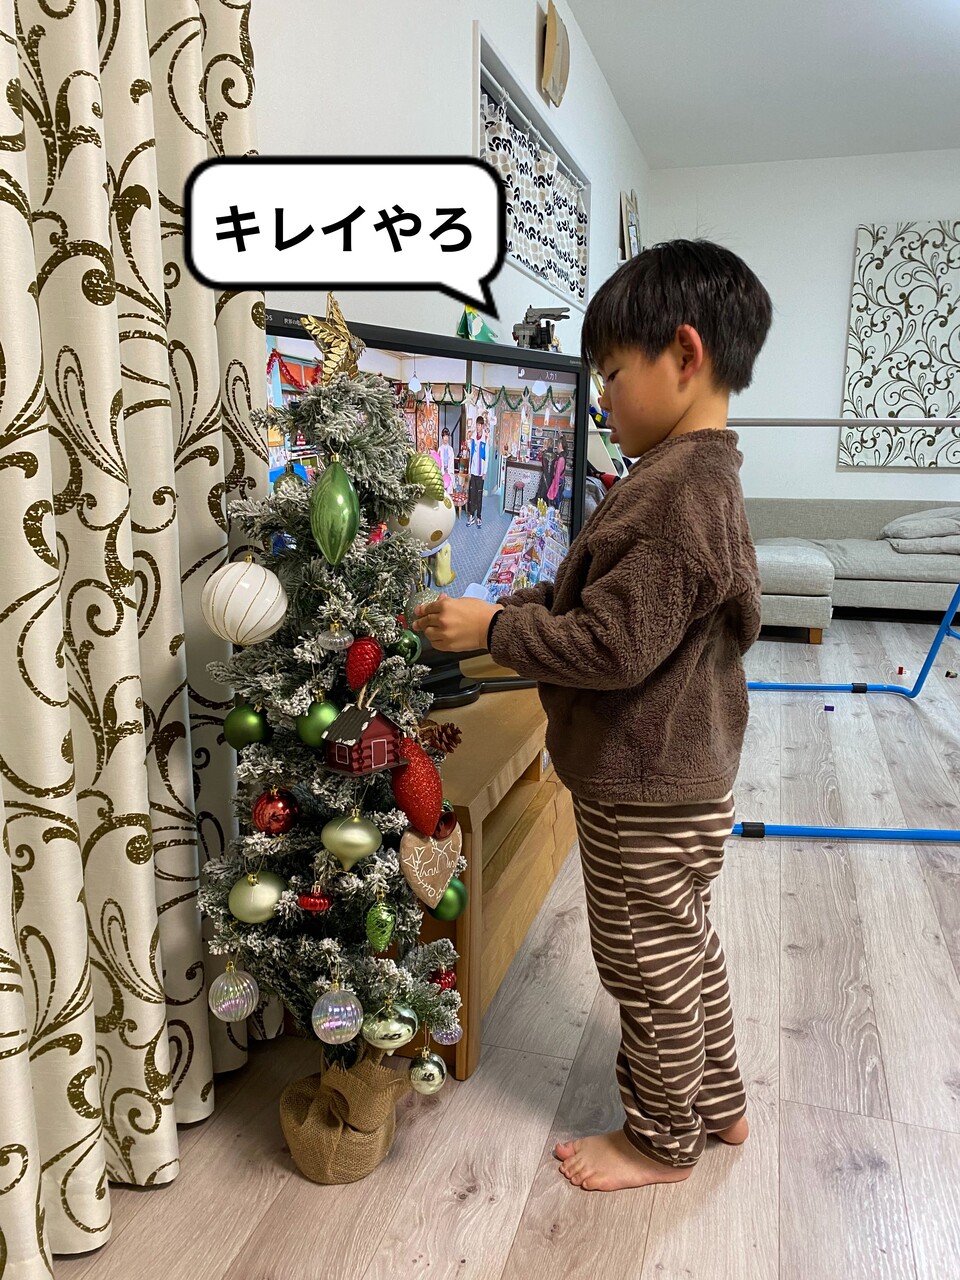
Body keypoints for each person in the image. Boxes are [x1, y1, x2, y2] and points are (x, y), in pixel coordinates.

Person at [413, 239, 772, 1193]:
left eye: (611, 373)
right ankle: (720, 1098)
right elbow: (606, 597)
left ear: (684, 355)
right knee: (683, 943)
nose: (601, 397)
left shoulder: (677, 493)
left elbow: (613, 646)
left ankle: (661, 1140)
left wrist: (495, 628)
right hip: (677, 775)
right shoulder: (688, 476)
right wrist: (515, 609)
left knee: (645, 963)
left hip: (646, 784)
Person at [466, 415, 487, 527]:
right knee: (472, 494)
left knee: (479, 495)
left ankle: (479, 516)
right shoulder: (473, 438)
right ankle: (471, 515)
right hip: (473, 471)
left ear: (482, 426)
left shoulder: (485, 439)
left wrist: (484, 472)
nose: (478, 427)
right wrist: (469, 471)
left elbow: (486, 457)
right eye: (477, 425)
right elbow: (471, 456)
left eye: (479, 425)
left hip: (480, 472)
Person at [438, 427, 455, 493]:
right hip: (442, 472)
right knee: (442, 491)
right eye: (444, 436)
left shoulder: (450, 449)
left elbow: (452, 463)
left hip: (449, 471)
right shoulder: (440, 449)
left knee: (449, 490)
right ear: (442, 438)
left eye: (447, 436)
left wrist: (449, 471)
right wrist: (442, 472)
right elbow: (439, 462)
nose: (446, 438)